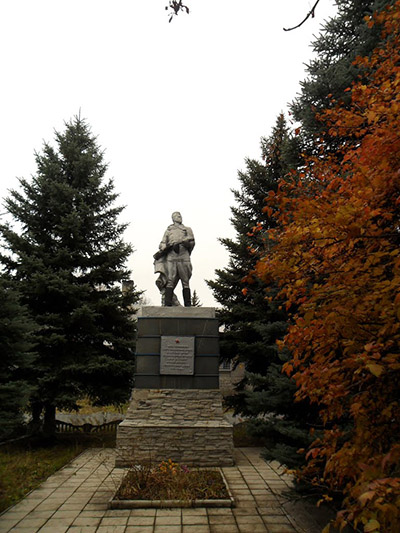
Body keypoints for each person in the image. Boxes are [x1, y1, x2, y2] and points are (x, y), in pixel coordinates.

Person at [154, 212, 195, 307]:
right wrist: (165, 247)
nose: (180, 217)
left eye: (180, 215)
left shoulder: (187, 229)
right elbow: (162, 243)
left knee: (185, 281)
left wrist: (186, 243)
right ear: (173, 218)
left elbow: (192, 242)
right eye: (177, 216)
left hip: (184, 256)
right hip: (171, 256)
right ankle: (167, 304)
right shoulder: (168, 230)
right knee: (170, 280)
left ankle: (188, 304)